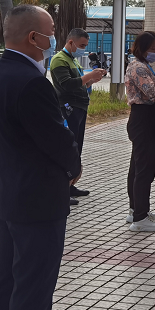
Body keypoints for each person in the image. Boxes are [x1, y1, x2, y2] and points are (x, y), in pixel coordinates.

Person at [0, 4, 84, 310]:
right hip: (38, 202)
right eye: (51, 30)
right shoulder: (31, 82)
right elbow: (56, 138)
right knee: (32, 288)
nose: (54, 36)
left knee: (2, 280)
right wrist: (73, 166)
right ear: (33, 38)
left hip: (9, 196)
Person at [49, 28, 107, 203]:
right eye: (81, 45)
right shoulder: (59, 60)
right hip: (68, 107)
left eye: (85, 46)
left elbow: (80, 83)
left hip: (80, 107)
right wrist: (88, 76)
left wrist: (91, 80)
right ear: (71, 42)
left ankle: (71, 184)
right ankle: (62, 190)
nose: (83, 49)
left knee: (76, 147)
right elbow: (66, 84)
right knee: (68, 147)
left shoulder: (72, 60)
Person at [125, 31, 155, 232]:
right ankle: (140, 218)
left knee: (138, 166)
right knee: (144, 169)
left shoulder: (142, 65)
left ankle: (136, 210)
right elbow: (153, 92)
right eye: (151, 49)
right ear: (141, 48)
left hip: (144, 118)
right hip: (143, 118)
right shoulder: (138, 67)